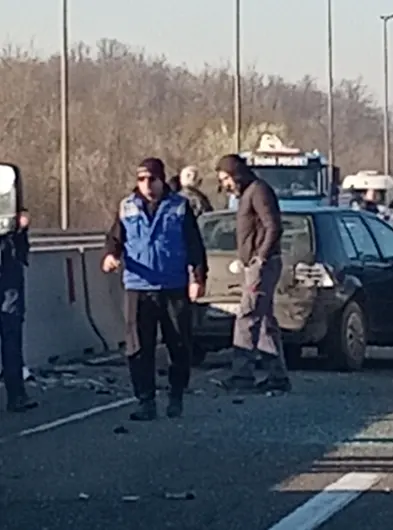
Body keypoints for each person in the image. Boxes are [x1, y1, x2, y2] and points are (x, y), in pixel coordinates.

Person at [102, 158, 208, 421]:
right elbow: (115, 238)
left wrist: (197, 278)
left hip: (173, 286)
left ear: (162, 180)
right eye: (141, 180)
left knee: (179, 344)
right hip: (138, 287)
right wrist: (110, 256)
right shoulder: (127, 207)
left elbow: (195, 245)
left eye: (152, 179)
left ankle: (176, 395)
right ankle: (145, 400)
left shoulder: (179, 207)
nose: (147, 185)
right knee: (139, 347)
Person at [214, 154, 290, 393]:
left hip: (262, 266)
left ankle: (241, 376)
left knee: (247, 317)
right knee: (265, 321)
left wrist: (261, 256)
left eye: (226, 178)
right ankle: (277, 376)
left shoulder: (258, 191)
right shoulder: (249, 193)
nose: (224, 184)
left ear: (236, 174)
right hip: (256, 265)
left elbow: (273, 225)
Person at [0, 208, 36, 413]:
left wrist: (22, 226)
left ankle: (17, 394)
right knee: (11, 333)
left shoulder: (8, 181)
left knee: (12, 333)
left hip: (9, 270)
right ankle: (17, 395)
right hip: (9, 270)